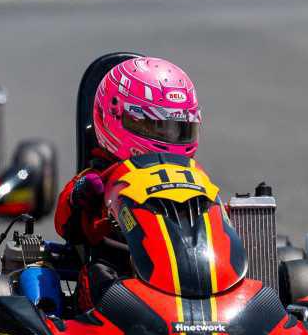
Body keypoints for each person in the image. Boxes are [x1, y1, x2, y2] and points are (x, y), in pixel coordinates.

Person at [54, 55, 202, 308]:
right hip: (124, 277)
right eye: (153, 125)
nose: (167, 135)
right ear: (114, 116)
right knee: (99, 275)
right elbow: (64, 223)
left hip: (193, 266)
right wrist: (81, 195)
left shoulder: (194, 174)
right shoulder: (100, 176)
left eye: (177, 127)